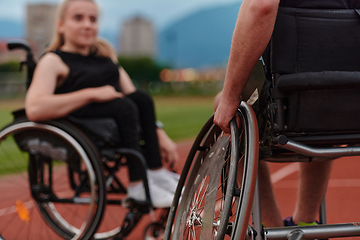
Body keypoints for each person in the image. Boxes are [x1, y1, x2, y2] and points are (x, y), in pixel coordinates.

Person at [214, 0, 360, 227]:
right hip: (350, 106)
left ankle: (272, 226)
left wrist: (229, 97)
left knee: (231, 108)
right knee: (329, 101)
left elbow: (261, 6)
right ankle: (305, 221)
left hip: (291, 104)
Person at [25, 0, 180, 208]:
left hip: (116, 121)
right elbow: (34, 108)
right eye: (78, 18)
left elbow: (136, 100)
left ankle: (156, 172)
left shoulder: (106, 56)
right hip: (84, 123)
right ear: (61, 25)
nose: (88, 25)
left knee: (141, 98)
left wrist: (159, 134)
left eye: (93, 19)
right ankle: (137, 186)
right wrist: (91, 94)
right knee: (123, 106)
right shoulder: (53, 61)